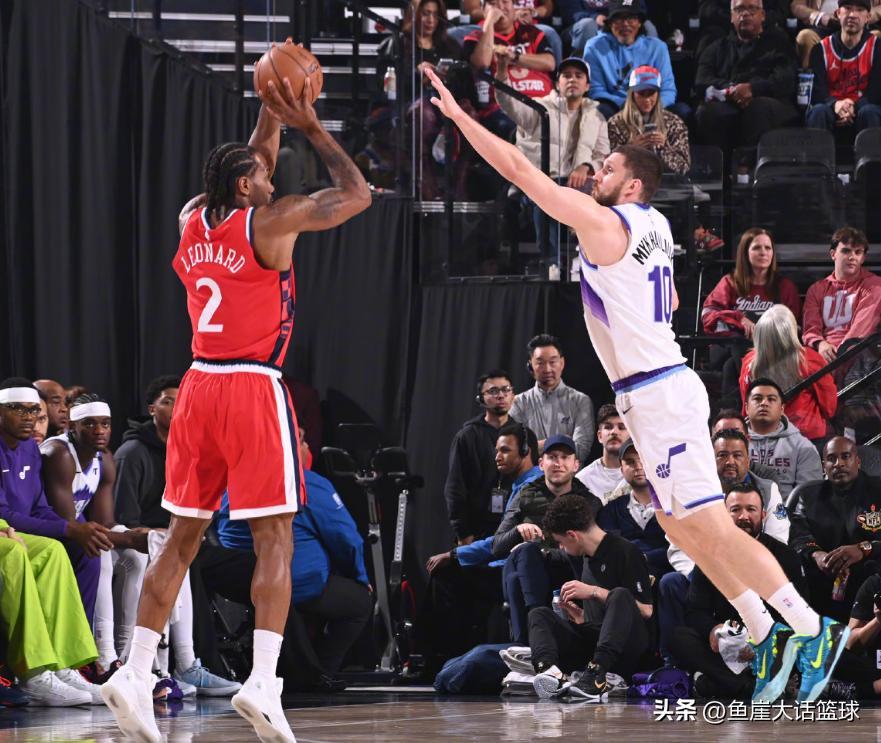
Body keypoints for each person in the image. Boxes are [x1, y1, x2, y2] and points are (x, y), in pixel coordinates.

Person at [426, 64, 849, 704]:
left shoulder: (608, 225)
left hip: (658, 392)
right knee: (678, 527)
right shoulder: (657, 225)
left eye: (607, 168)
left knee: (712, 526)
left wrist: (461, 118)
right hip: (655, 389)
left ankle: (812, 630)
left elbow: (521, 171)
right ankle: (764, 631)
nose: (596, 174)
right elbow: (668, 298)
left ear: (630, 183)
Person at [101, 51, 371, 743]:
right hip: (251, 385)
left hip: (196, 386)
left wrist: (269, 110)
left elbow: (254, 157)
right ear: (247, 187)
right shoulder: (271, 223)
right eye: (265, 178)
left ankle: (134, 671)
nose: (273, 179)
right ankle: (264, 681)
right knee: (274, 535)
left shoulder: (194, 217)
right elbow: (356, 193)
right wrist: (310, 124)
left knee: (180, 539)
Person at [217, 430, 372, 679]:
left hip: (240, 585)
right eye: (301, 440)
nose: (307, 447)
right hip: (296, 583)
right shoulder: (308, 484)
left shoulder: (232, 482)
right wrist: (360, 577)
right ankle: (320, 673)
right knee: (359, 602)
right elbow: (346, 540)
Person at [40, 395, 148, 677]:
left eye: (105, 424)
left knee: (138, 557)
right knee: (98, 551)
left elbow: (105, 522)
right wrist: (133, 538)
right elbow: (68, 524)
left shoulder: (105, 458)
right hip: (52, 531)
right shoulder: (59, 454)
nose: (99, 431)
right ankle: (103, 656)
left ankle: (127, 656)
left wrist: (138, 536)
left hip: (78, 530)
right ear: (71, 426)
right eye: (89, 424)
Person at [668, 483, 808, 699]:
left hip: (771, 644)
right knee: (679, 638)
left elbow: (798, 614)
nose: (743, 516)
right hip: (726, 646)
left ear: (763, 515)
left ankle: (720, 684)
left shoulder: (785, 556)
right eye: (735, 510)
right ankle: (746, 687)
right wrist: (713, 630)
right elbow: (695, 611)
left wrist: (763, 642)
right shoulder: (709, 554)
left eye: (751, 509)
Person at [423, 423, 542, 662]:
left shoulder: (531, 488)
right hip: (504, 567)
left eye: (505, 450)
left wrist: (454, 555)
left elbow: (499, 543)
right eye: (496, 450)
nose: (497, 457)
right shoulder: (519, 484)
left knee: (446, 575)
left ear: (526, 451)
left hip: (514, 571)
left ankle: (442, 660)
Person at [530, 492, 654, 700]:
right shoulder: (585, 557)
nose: (561, 548)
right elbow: (599, 623)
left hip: (627, 648)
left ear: (572, 535)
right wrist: (580, 618)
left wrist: (593, 592)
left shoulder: (626, 551)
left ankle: (597, 674)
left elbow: (646, 611)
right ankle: (550, 674)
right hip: (595, 644)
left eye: (561, 542)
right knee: (539, 614)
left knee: (620, 595)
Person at [495, 56, 609, 262]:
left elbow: (602, 156)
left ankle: (594, 262)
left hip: (578, 184)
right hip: (539, 182)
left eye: (578, 76)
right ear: (557, 83)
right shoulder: (539, 108)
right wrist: (502, 70)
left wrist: (586, 166)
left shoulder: (597, 117)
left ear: (587, 86)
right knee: (547, 197)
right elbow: (508, 103)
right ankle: (550, 265)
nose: (572, 79)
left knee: (603, 201)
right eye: (566, 76)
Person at [494, 435, 601, 642]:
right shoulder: (525, 496)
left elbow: (591, 550)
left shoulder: (588, 502)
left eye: (564, 457)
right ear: (541, 464)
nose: (558, 463)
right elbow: (497, 546)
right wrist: (518, 531)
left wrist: (545, 553)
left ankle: (531, 637)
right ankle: (532, 638)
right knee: (523, 558)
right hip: (528, 567)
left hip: (570, 569)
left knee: (522, 567)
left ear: (576, 465)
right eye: (552, 457)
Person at [377, 0, 467, 200]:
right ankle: (428, 190)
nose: (431, 20)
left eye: (435, 14)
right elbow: (387, 86)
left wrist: (447, 77)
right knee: (423, 114)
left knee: (470, 113)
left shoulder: (450, 46)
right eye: (426, 13)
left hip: (444, 101)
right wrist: (417, 74)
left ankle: (459, 189)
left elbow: (465, 84)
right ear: (415, 15)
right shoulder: (398, 44)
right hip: (411, 104)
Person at [703, 228, 802, 409]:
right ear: (745, 253)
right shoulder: (730, 283)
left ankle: (736, 414)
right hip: (731, 347)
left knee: (731, 367)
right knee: (738, 348)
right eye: (757, 248)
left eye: (768, 248)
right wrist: (738, 319)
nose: (763, 252)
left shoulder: (784, 287)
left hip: (771, 351)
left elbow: (793, 325)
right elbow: (708, 316)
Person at [789, 436, 881, 621]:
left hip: (873, 583)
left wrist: (864, 549)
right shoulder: (807, 496)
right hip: (823, 583)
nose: (839, 463)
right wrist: (817, 555)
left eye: (845, 456)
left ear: (858, 461)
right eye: (832, 459)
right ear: (824, 466)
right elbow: (798, 538)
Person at [693, 0, 799, 155]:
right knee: (706, 112)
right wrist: (733, 89)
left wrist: (752, 89)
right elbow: (701, 80)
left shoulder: (779, 44)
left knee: (758, 107)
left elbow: (786, 80)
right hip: (730, 102)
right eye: (739, 9)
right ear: (732, 16)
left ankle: (747, 166)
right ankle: (718, 168)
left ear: (762, 15)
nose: (745, 14)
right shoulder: (717, 47)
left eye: (751, 9)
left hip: (770, 103)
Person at [740, 305, 838, 441]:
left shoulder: (748, 363)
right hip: (806, 437)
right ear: (792, 331)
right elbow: (829, 407)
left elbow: (747, 406)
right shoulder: (809, 360)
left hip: (763, 436)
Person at [444, 370, 518, 546]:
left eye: (505, 389)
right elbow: (455, 488)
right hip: (476, 531)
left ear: (513, 395)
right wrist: (463, 533)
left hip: (514, 529)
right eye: (493, 391)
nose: (501, 395)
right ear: (481, 398)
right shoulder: (467, 436)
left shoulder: (522, 434)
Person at [463, 0, 556, 140]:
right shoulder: (474, 38)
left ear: (513, 6)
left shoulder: (531, 32)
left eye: (505, 2)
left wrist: (514, 57)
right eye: (493, 3)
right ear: (483, 10)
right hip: (504, 107)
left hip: (543, 102)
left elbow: (550, 63)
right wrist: (489, 23)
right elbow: (482, 63)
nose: (501, 7)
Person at [583, 0, 684, 121]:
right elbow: (596, 91)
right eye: (619, 18)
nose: (625, 24)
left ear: (640, 22)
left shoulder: (658, 47)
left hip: (652, 107)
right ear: (610, 23)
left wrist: (651, 108)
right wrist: (629, 107)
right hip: (615, 107)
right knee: (599, 111)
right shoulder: (595, 47)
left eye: (631, 18)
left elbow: (668, 89)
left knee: (682, 111)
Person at [510, 335, 596, 464]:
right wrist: (563, 441)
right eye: (540, 363)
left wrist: (536, 446)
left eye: (552, 362)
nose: (547, 369)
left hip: (570, 475)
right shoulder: (518, 403)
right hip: (532, 475)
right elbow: (516, 451)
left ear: (562, 363)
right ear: (530, 365)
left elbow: (580, 450)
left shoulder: (580, 401)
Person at [802, 226, 881, 363]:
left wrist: (836, 360)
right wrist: (821, 344)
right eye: (846, 251)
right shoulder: (816, 289)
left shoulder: (874, 285)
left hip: (857, 359)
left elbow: (860, 332)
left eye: (858, 252)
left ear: (863, 258)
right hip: (820, 354)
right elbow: (811, 329)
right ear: (833, 254)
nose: (852, 257)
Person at [597, 438, 672, 576]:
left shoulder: (672, 505)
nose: (638, 466)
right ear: (621, 469)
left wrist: (647, 557)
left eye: (643, 460)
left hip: (667, 574)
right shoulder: (611, 510)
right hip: (626, 576)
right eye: (630, 462)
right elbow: (612, 548)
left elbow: (681, 546)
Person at [806, 0, 881, 136]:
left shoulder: (877, 48)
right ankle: (816, 151)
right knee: (818, 111)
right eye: (847, 8)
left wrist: (854, 107)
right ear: (838, 13)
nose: (852, 14)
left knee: (870, 111)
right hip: (831, 109)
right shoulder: (820, 49)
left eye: (859, 10)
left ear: (868, 17)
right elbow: (818, 92)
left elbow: (876, 92)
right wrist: (835, 104)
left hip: (863, 109)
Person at [745, 378, 824, 497]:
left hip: (786, 508)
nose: (764, 403)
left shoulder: (803, 447)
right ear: (746, 408)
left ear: (782, 409)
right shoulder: (732, 443)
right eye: (757, 399)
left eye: (771, 399)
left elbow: (808, 497)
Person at [608, 65, 691, 175]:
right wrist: (631, 150)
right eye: (641, 94)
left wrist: (664, 148)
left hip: (666, 181)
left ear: (658, 94)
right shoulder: (616, 123)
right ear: (632, 94)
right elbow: (610, 168)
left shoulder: (674, 123)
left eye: (651, 93)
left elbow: (683, 168)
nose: (647, 99)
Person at [712, 428, 790, 541]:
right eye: (722, 455)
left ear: (748, 462)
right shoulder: (697, 491)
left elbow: (777, 540)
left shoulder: (768, 490)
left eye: (737, 455)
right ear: (710, 461)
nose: (730, 462)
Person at [792, 0, 881, 69]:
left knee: (876, 38)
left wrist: (867, 15)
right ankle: (809, 82)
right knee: (806, 36)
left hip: (862, 27)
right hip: (824, 26)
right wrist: (819, 16)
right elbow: (796, 6)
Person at [575, 403, 627, 503]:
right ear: (599, 436)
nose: (614, 432)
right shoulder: (583, 480)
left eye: (621, 427)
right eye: (608, 427)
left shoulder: (643, 473)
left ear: (631, 435)